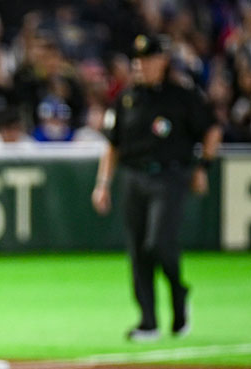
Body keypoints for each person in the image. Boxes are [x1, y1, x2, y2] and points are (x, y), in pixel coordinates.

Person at [91, 34, 222, 341]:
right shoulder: (126, 99)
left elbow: (211, 130)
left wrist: (203, 167)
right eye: (137, 61)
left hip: (170, 176)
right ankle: (148, 321)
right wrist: (103, 183)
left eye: (147, 60)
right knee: (138, 251)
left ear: (162, 61)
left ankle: (178, 292)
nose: (141, 67)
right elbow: (112, 145)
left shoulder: (182, 96)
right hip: (134, 177)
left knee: (159, 243)